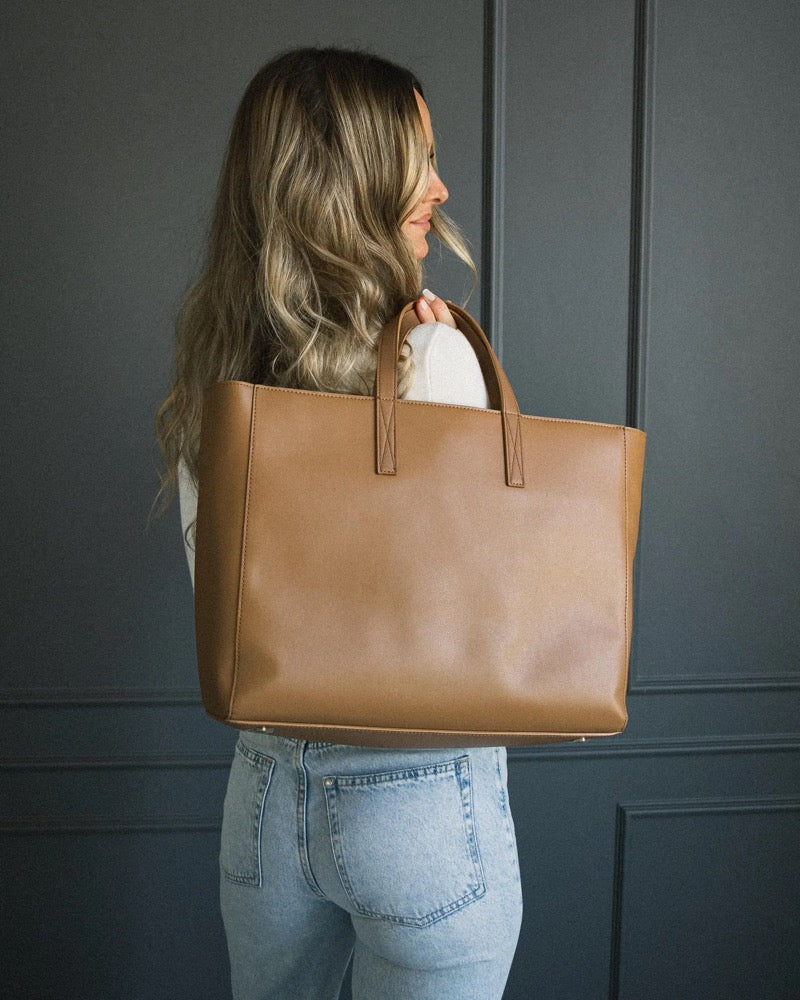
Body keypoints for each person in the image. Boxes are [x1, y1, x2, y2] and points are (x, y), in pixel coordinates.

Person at [155, 47, 522, 1000]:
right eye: (419, 158)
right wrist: (440, 362)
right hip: (420, 805)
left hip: (267, 798)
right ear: (350, 180)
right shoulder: (436, 358)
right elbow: (478, 600)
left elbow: (227, 603)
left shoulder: (216, 378)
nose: (441, 185)